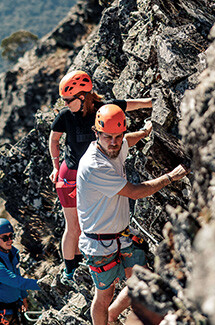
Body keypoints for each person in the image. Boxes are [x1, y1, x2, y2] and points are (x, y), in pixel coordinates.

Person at [76, 104, 188, 325]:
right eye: (108, 137)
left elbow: (128, 141)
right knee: (104, 295)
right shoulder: (94, 165)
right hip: (99, 244)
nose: (114, 142)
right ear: (96, 133)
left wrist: (145, 133)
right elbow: (135, 192)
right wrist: (171, 177)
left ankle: (112, 315)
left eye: (118, 136)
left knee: (140, 282)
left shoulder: (115, 147)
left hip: (121, 236)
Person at [48, 70, 152, 285]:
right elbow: (54, 140)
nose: (65, 104)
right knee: (74, 225)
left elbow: (126, 104)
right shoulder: (65, 116)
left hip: (94, 172)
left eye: (68, 100)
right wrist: (55, 167)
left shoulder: (103, 111)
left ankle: (88, 262)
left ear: (82, 97)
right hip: (71, 174)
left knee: (93, 219)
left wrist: (151, 103)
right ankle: (71, 271)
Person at [0, 218, 41, 325]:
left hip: (13, 309)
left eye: (11, 236)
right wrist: (43, 284)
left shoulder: (12, 253)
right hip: (0, 314)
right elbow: (17, 281)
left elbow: (17, 274)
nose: (10, 240)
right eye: (5, 238)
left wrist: (23, 297)